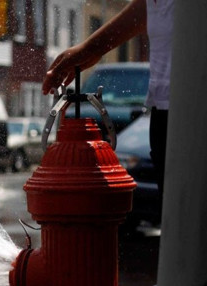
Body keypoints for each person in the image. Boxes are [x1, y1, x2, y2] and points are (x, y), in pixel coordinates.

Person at [43, 0, 172, 193]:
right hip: (163, 109)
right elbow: (152, 6)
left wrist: (90, 49)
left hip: (192, 108)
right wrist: (90, 49)